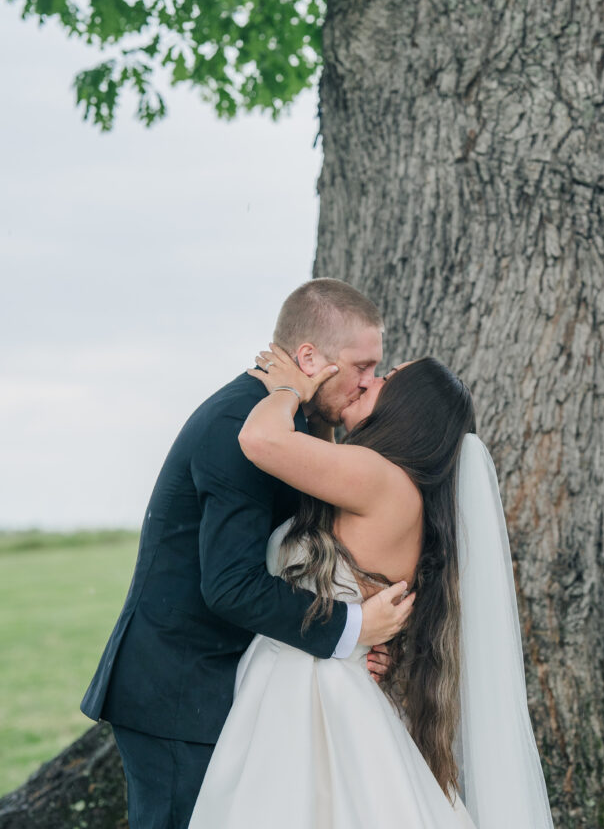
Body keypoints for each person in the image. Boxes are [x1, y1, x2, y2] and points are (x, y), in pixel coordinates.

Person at [80, 279, 416, 829]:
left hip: (228, 684)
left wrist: (371, 637)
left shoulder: (300, 425)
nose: (368, 381)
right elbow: (230, 584)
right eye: (362, 365)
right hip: (178, 691)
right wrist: (352, 628)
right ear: (309, 357)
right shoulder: (240, 425)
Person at [188, 345, 555, 829]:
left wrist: (288, 389)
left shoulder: (378, 478)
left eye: (389, 379)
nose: (369, 381)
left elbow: (260, 439)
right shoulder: (389, 484)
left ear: (409, 408)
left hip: (309, 696)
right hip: (318, 679)